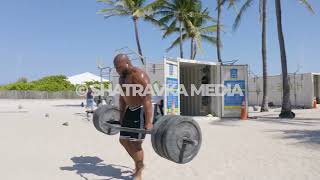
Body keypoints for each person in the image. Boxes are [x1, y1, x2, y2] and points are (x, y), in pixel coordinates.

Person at [113, 54, 153, 180]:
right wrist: (121, 116)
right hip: (129, 111)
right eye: (115, 67)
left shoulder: (138, 75)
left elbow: (147, 100)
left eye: (118, 67)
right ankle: (139, 164)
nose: (117, 70)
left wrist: (148, 122)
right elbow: (122, 99)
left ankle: (139, 172)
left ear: (126, 63)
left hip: (140, 111)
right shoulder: (121, 78)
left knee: (136, 145)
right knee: (123, 140)